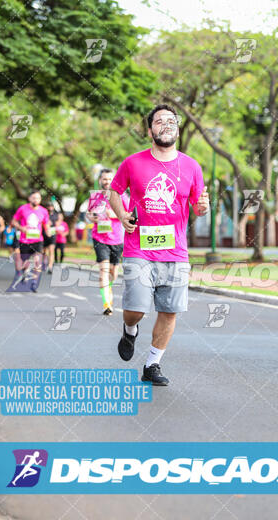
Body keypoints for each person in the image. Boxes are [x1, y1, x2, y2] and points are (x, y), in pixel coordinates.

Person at [109, 104, 209, 386]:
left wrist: (202, 206)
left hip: (175, 252)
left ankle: (152, 364)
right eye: (159, 121)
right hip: (139, 248)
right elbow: (114, 193)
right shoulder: (132, 163)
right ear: (149, 129)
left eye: (171, 121)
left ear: (177, 129)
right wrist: (122, 215)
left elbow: (198, 207)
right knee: (137, 308)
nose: (166, 125)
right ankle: (130, 328)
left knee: (169, 311)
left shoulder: (191, 166)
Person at [91, 168, 129, 316]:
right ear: (100, 180)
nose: (107, 182)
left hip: (118, 239)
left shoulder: (122, 196)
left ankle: (108, 288)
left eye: (109, 179)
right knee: (103, 271)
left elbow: (129, 214)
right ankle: (107, 303)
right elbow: (90, 214)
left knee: (113, 272)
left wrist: (113, 214)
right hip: (100, 238)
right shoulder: (96, 196)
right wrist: (91, 218)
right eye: (104, 179)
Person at [11, 191, 50, 293]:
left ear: (40, 199)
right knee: (25, 262)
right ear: (29, 198)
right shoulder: (23, 209)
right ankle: (25, 273)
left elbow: (46, 224)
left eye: (38, 198)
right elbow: (14, 221)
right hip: (25, 240)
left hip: (38, 240)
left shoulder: (44, 211)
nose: (35, 200)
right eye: (34, 198)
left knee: (38, 261)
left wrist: (48, 231)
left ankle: (34, 283)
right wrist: (21, 228)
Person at [43, 202, 59, 274]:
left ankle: (50, 266)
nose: (50, 208)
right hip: (44, 234)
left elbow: (58, 223)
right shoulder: (44, 214)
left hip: (52, 234)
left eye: (51, 206)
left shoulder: (56, 215)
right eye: (49, 206)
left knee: (51, 250)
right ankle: (44, 263)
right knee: (44, 251)